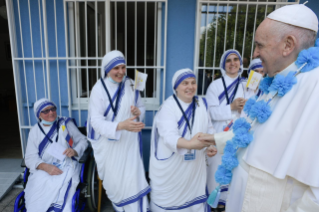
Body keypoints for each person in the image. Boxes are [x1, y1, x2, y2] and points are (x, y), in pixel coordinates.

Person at [200, 4, 319, 212]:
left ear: (288, 45)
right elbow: (257, 136)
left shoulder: (313, 87)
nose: (254, 54)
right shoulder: (274, 82)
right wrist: (215, 139)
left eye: (260, 45)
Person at [87, 50, 150, 211]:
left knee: (133, 181)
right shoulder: (98, 89)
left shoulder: (130, 83)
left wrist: (138, 112)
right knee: (117, 185)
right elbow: (96, 121)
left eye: (123, 67)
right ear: (107, 69)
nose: (121, 72)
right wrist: (120, 126)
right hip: (108, 146)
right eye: (116, 68)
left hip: (129, 143)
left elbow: (141, 107)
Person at [149, 68, 217, 212]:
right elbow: (169, 137)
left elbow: (209, 129)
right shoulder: (168, 107)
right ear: (176, 87)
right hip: (172, 169)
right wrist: (191, 144)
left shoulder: (202, 104)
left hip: (194, 170)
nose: (190, 87)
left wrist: (209, 146)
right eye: (185, 83)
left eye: (193, 83)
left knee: (194, 204)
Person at [24, 98, 88, 212]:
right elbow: (29, 158)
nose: (51, 112)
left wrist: (75, 151)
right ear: (39, 115)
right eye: (46, 111)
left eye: (53, 109)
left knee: (65, 198)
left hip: (67, 165)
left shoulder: (65, 124)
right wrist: (45, 167)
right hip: (43, 169)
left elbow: (83, 140)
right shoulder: (34, 132)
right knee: (37, 195)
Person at [205, 49, 247, 210]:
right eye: (228, 60)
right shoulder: (215, 86)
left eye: (235, 59)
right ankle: (215, 203)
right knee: (217, 167)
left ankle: (231, 204)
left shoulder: (246, 84)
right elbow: (212, 113)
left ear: (240, 63)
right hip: (220, 132)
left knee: (236, 169)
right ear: (224, 65)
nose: (232, 63)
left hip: (239, 134)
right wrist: (232, 107)